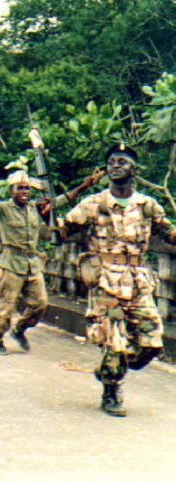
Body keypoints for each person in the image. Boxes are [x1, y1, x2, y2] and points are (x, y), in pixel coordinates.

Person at [63, 144, 176, 417]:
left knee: (152, 342)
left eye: (122, 161)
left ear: (133, 169)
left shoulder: (147, 205)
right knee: (115, 340)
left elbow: (168, 232)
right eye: (111, 161)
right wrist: (52, 219)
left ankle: (107, 372)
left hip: (137, 280)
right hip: (105, 280)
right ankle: (112, 391)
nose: (115, 165)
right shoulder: (94, 203)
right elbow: (65, 231)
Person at [0, 163, 101, 355]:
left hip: (32, 263)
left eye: (27, 188)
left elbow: (61, 201)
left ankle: (20, 329)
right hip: (12, 263)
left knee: (40, 303)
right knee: (7, 305)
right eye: (20, 188)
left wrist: (85, 185)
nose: (24, 192)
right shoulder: (3, 209)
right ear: (11, 190)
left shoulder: (34, 208)